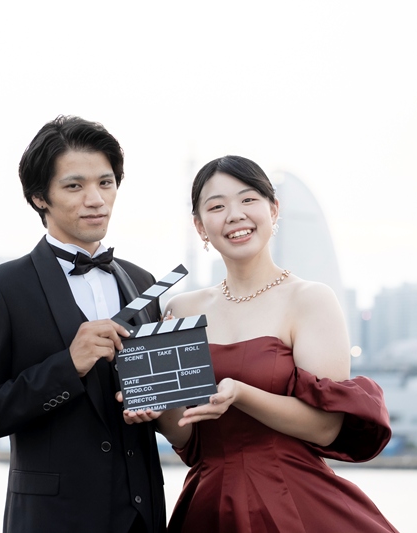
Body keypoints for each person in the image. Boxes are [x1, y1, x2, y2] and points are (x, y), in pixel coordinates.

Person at [123, 155, 399, 532]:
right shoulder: (180, 308)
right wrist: (156, 404)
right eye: (216, 207)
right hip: (209, 502)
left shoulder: (310, 300)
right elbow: (185, 437)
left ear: (273, 209)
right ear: (200, 226)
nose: (235, 215)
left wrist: (241, 394)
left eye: (248, 199)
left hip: (292, 499)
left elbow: (325, 428)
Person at [0, 116, 167, 533]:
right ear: (39, 197)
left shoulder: (143, 282)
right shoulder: (0, 290)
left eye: (106, 183)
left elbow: (155, 401)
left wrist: (159, 401)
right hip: (52, 521)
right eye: (74, 186)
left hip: (143, 519)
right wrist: (67, 366)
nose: (95, 199)